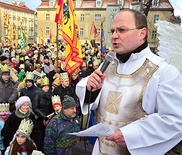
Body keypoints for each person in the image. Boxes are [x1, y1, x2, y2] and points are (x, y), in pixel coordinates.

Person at [76, 9, 182, 155]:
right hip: (100, 150)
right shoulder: (108, 64)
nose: (114, 36)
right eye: (112, 31)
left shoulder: (163, 72)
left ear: (142, 33)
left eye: (122, 30)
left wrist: (131, 134)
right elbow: (85, 89)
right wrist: (91, 90)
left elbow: (175, 119)